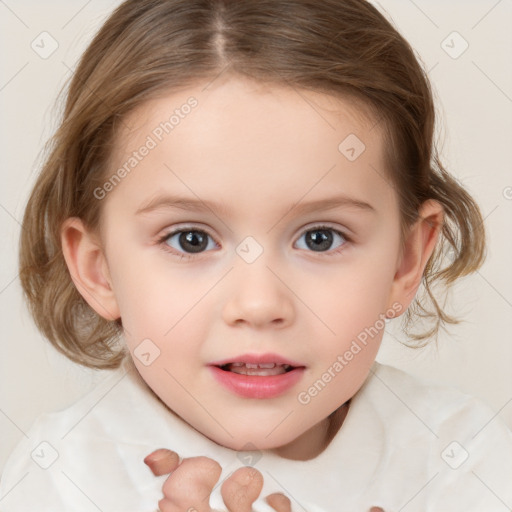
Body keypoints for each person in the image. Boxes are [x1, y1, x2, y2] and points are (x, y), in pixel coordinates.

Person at [1, 0, 511, 511]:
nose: (259, 303)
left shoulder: (464, 463)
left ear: (405, 262)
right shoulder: (60, 481)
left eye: (320, 238)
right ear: (99, 269)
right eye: (191, 240)